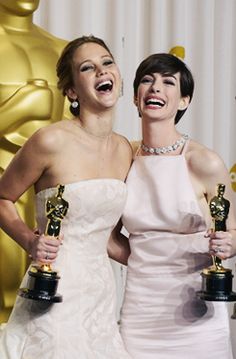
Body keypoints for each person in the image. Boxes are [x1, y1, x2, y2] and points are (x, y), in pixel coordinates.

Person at [0, 35, 133, 358]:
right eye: (87, 68)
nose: (102, 71)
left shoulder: (126, 150)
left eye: (107, 62)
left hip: (101, 296)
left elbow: (108, 237)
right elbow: (2, 198)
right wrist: (29, 241)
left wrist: (165, 262)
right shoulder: (50, 140)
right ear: (72, 91)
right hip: (53, 290)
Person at [108, 53, 236, 358]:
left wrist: (227, 245)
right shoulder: (123, 158)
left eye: (168, 82)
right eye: (147, 81)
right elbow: (109, 236)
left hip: (198, 312)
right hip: (141, 312)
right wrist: (147, 260)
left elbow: (232, 230)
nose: (155, 88)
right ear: (136, 97)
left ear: (183, 101)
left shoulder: (204, 161)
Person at [0, 0, 68, 322]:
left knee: (46, 306)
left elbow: (80, 134)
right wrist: (21, 108)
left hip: (52, 194)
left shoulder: (63, 50)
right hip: (3, 188)